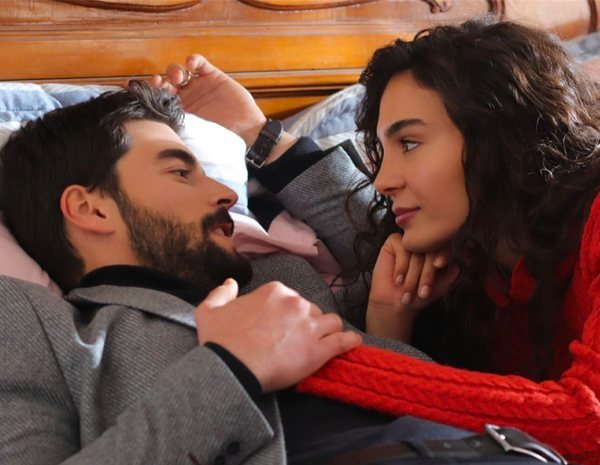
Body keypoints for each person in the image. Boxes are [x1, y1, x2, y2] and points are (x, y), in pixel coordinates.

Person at [0, 50, 560, 465]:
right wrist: (230, 371)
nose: (226, 192)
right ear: (90, 208)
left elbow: (403, 221)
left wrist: (259, 135)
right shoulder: (40, 322)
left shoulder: (279, 271)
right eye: (180, 172)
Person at [296, 16, 600, 465]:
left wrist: (306, 362)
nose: (382, 181)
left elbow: (588, 424)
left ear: (498, 131)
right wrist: (389, 321)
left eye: (409, 143)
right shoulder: (473, 274)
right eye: (382, 152)